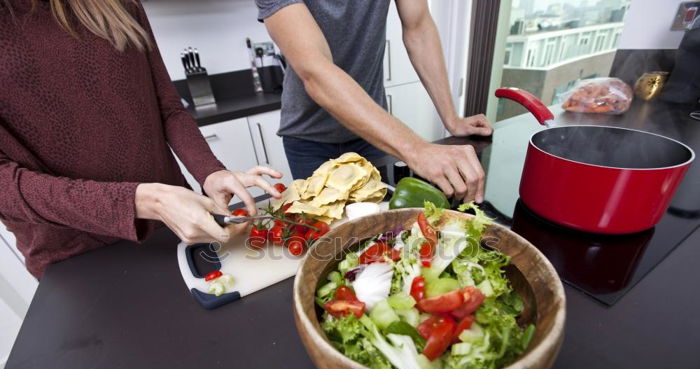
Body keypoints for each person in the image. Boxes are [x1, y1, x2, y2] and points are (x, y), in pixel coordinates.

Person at [0, 0, 282, 278]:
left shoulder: (118, 4)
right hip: (74, 254)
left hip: (174, 227)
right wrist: (140, 201)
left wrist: (210, 171)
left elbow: (166, 107)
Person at [256, 0, 493, 203]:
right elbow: (315, 69)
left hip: (371, 136)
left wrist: (451, 118)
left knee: (381, 233)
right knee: (330, 240)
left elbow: (418, 26)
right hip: (308, 139)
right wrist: (417, 150)